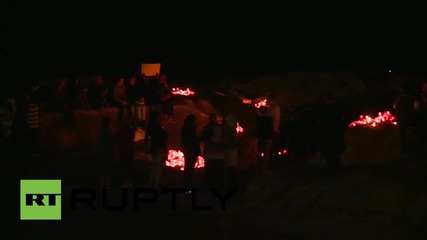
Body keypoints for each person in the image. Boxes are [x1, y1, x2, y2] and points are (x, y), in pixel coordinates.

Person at [318, 92, 346, 171]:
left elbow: (321, 121)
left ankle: (332, 165)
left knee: (330, 149)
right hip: (334, 132)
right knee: (334, 150)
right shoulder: (337, 109)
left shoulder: (324, 109)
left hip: (329, 133)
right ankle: (335, 165)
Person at [393, 84, 420, 157]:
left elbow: (395, 106)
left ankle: (404, 150)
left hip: (400, 117)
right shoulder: (412, 98)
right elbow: (417, 106)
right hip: (408, 117)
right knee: (405, 132)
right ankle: (407, 150)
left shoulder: (400, 98)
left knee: (402, 133)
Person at [201, 113, 226, 192]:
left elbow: (203, 138)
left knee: (211, 171)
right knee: (217, 171)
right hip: (217, 154)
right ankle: (217, 187)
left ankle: (211, 187)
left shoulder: (207, 128)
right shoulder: (218, 128)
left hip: (211, 153)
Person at [145, 111, 168, 190]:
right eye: (158, 117)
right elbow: (164, 136)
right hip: (159, 149)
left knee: (154, 168)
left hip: (153, 149)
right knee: (158, 169)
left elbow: (146, 139)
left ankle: (150, 184)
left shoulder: (149, 127)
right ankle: (156, 186)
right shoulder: (158, 127)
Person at [181, 114, 201, 193]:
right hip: (191, 151)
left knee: (188, 168)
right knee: (189, 169)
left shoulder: (185, 128)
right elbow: (193, 140)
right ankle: (188, 187)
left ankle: (187, 185)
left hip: (188, 150)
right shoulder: (190, 129)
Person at [115, 120, 136, 188]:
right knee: (128, 167)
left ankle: (124, 182)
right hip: (129, 151)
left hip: (122, 151)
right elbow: (133, 136)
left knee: (124, 167)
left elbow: (116, 139)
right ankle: (128, 181)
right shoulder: (129, 130)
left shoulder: (119, 131)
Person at [255, 106, 273, 173]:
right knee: (266, 154)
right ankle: (264, 168)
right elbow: (271, 128)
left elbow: (257, 128)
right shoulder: (269, 119)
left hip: (261, 137)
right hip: (268, 138)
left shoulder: (258, 119)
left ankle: (258, 168)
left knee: (259, 153)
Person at [97, 117, 114, 188]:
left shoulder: (100, 131)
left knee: (102, 166)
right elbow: (112, 141)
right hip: (108, 151)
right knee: (107, 166)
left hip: (102, 151)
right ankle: (107, 182)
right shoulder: (109, 131)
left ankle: (102, 181)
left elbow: (99, 141)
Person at [224, 114, 238, 190]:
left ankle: (232, 183)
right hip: (233, 149)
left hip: (229, 149)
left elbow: (227, 139)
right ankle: (233, 183)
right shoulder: (233, 129)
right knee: (232, 166)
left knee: (230, 167)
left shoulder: (229, 129)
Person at [265, 94, 281, 160]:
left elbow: (266, 117)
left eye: (268, 100)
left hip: (272, 132)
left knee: (271, 150)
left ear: (271, 100)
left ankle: (272, 165)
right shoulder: (274, 108)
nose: (266, 101)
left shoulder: (274, 109)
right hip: (274, 131)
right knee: (272, 149)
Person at [26, 91, 40, 157]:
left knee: (31, 139)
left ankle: (33, 152)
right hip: (35, 125)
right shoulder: (35, 105)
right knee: (34, 139)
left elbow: (29, 116)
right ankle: (36, 151)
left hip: (31, 125)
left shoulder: (30, 106)